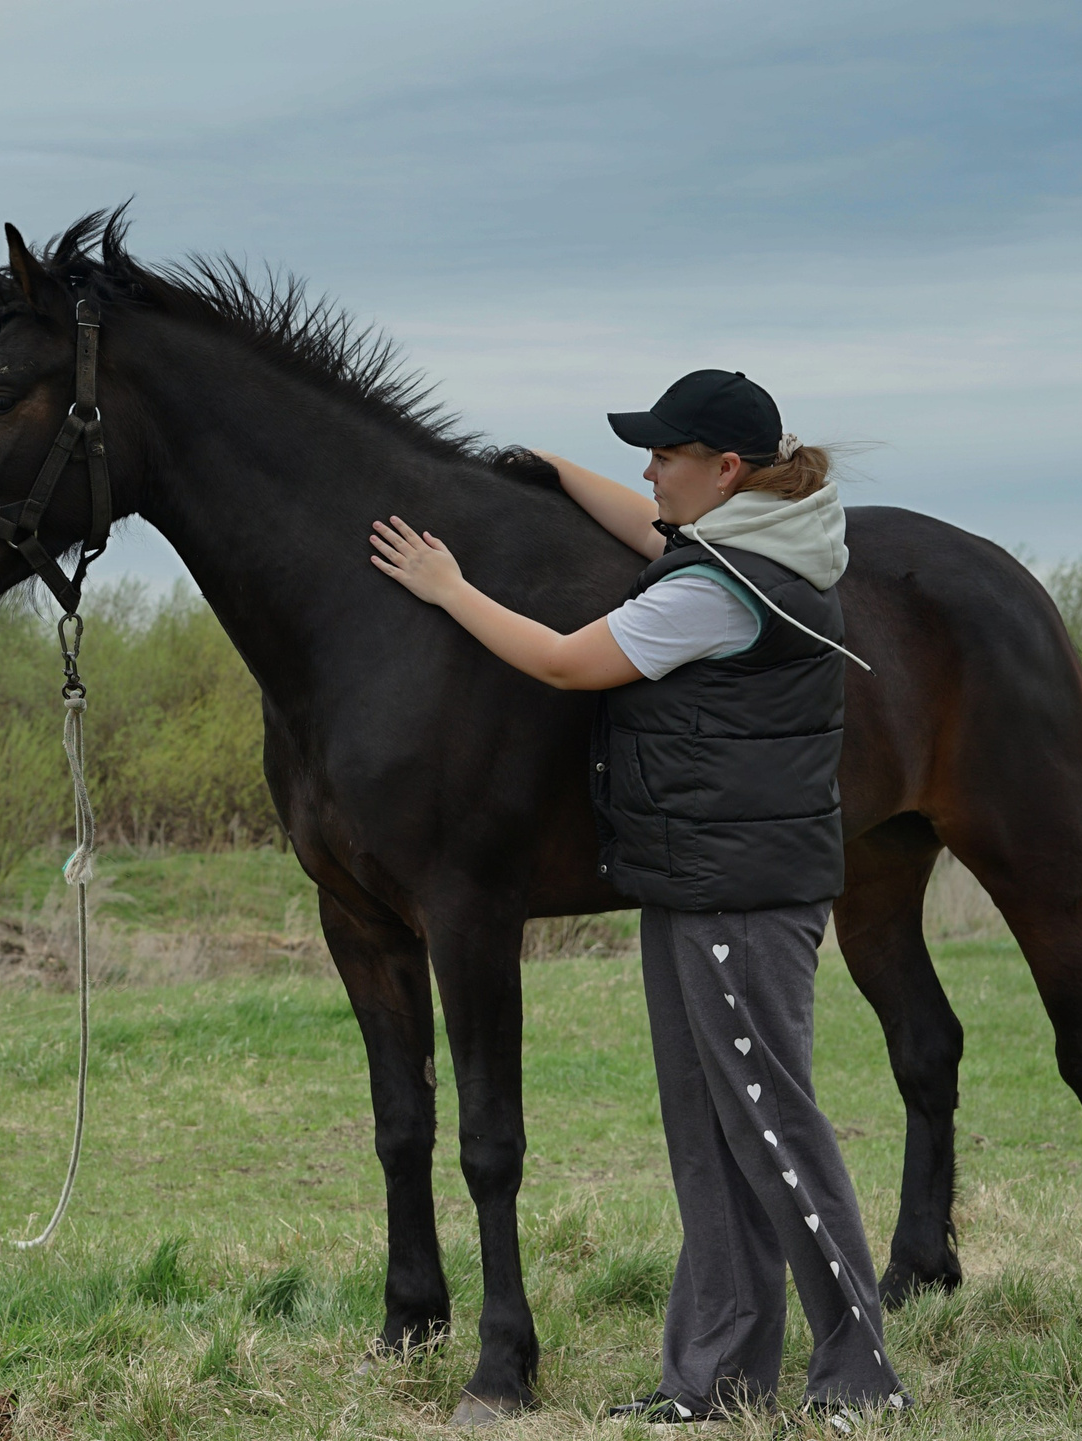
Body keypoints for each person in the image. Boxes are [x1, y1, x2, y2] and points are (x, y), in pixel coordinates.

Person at [367, 370, 912, 1432]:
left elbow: (568, 664)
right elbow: (656, 527)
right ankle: (714, 1379)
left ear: (726, 470)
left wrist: (447, 588)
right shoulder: (762, 541)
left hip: (735, 897)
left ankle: (859, 1377)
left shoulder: (718, 592)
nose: (646, 472)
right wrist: (552, 469)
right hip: (693, 884)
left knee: (772, 1129)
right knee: (707, 1137)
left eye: (664, 455)